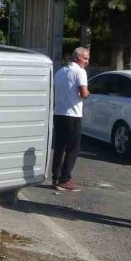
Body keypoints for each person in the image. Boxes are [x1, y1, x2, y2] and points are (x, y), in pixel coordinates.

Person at [51, 47, 90, 191]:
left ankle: (55, 177)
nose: (87, 61)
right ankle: (65, 179)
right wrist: (88, 93)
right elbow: (84, 93)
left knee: (59, 147)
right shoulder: (80, 72)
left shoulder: (60, 72)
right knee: (73, 148)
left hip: (59, 113)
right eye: (85, 58)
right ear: (76, 58)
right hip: (73, 114)